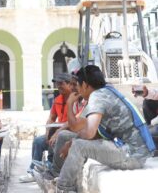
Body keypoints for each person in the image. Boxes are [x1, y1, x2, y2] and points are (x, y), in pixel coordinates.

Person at [54, 65, 153, 193]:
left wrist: (69, 104)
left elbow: (89, 133)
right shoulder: (107, 91)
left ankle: (63, 189)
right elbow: (95, 133)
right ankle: (64, 180)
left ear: (84, 84)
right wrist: (72, 141)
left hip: (132, 154)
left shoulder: (97, 96)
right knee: (76, 142)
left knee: (79, 146)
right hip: (135, 152)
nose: (77, 89)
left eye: (77, 85)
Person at [19, 73, 74, 183]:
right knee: (38, 141)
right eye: (57, 84)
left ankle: (51, 169)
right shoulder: (57, 99)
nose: (58, 86)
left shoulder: (76, 99)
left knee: (56, 141)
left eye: (61, 83)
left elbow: (75, 120)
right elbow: (51, 118)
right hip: (56, 131)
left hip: (68, 132)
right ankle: (32, 171)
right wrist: (48, 132)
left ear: (69, 84)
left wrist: (56, 133)